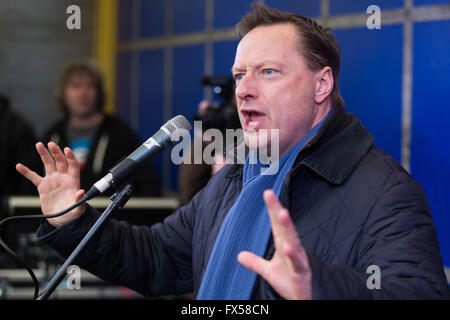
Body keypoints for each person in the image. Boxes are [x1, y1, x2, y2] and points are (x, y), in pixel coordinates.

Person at [16, 4, 449, 299]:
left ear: (322, 85)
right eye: (240, 74)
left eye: (268, 72)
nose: (244, 89)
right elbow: (157, 258)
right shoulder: (234, 177)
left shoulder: (387, 192)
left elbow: (419, 293)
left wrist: (320, 287)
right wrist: (74, 222)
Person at [41, 60, 160, 197]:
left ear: (98, 93)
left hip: (106, 214)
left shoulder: (119, 132)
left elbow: (145, 181)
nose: (83, 92)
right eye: (75, 86)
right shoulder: (53, 134)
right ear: (63, 94)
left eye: (90, 86)